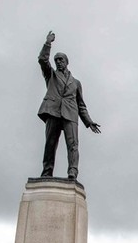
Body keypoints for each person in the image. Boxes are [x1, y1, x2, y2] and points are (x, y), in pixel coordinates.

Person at [38, 31, 101, 180]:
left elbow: (81, 105)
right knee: (50, 144)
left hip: (70, 115)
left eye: (61, 59)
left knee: (73, 145)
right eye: (56, 60)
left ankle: (73, 171)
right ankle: (47, 171)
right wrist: (48, 43)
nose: (58, 62)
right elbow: (42, 60)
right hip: (53, 112)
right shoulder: (51, 75)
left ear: (67, 62)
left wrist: (89, 121)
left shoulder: (76, 83)